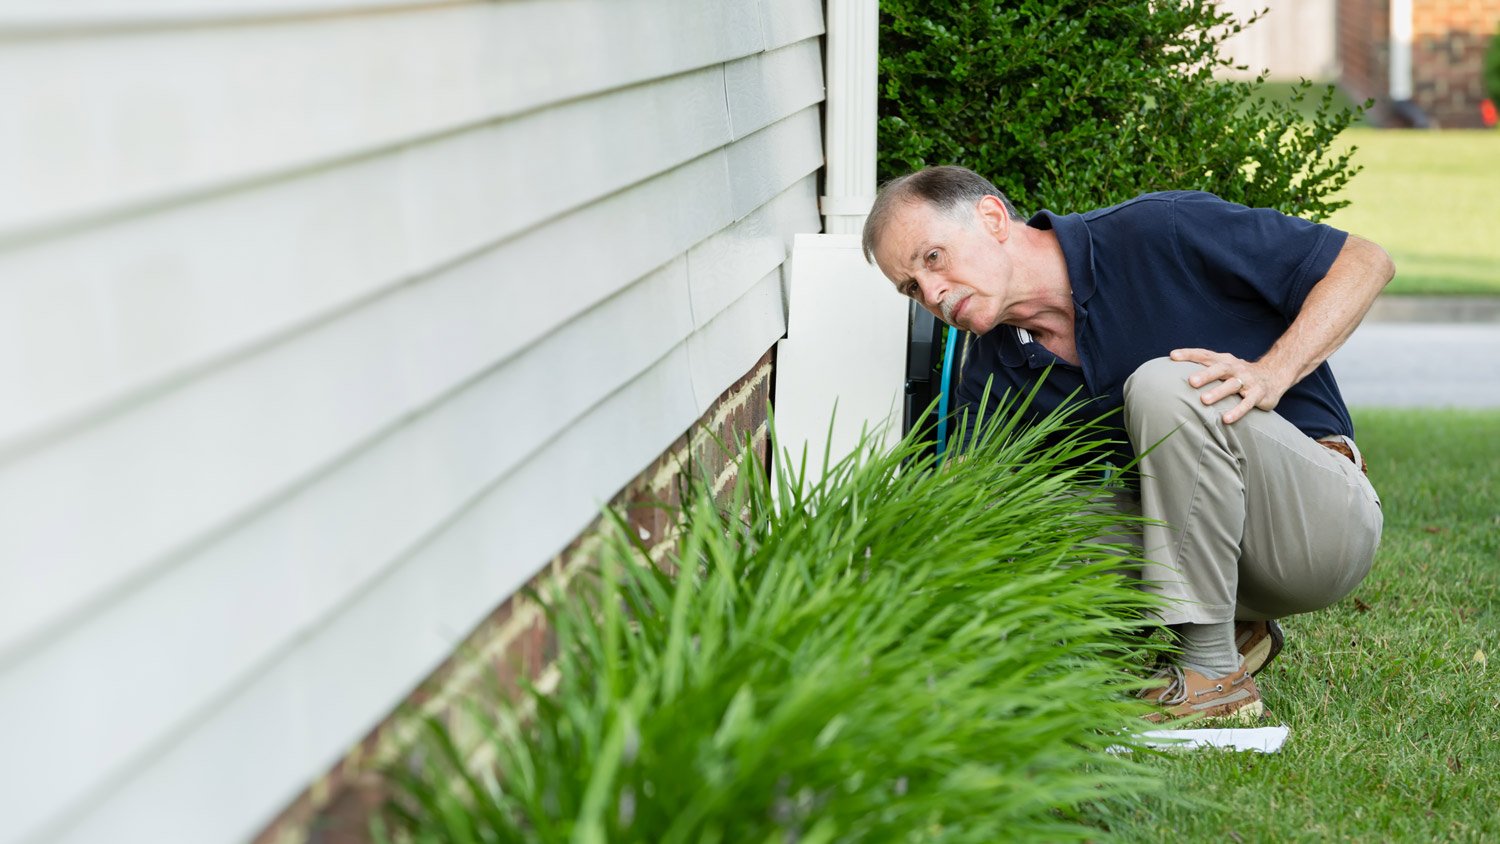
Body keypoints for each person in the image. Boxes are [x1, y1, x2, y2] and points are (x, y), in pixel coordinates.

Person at [862, 165, 1391, 721]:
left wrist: (1271, 373)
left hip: (1317, 530)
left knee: (1166, 385)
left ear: (992, 218)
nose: (934, 294)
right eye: (912, 288)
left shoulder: (1160, 230)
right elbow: (963, 506)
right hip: (1220, 558)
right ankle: (1231, 628)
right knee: (1001, 509)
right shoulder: (996, 371)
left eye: (933, 258)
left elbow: (1365, 262)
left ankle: (1211, 674)